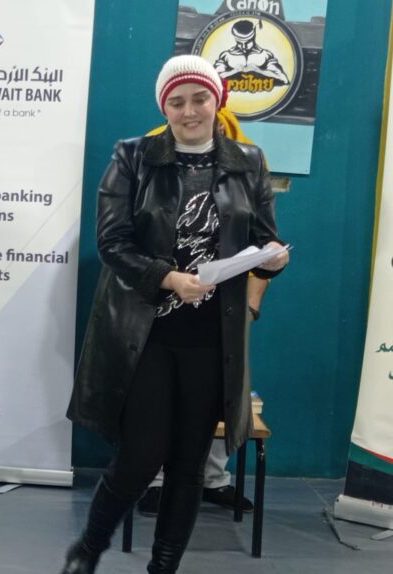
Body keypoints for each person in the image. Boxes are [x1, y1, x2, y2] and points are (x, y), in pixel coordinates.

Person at [62, 55, 288, 574]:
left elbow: (262, 241)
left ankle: (163, 568)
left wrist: (273, 259)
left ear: (217, 100)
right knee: (139, 459)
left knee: (189, 467)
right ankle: (88, 549)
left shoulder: (249, 161)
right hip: (146, 335)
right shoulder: (133, 157)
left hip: (212, 340)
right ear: (164, 107)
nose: (190, 111)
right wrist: (168, 278)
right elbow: (112, 242)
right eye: (177, 102)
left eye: (200, 98)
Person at [137, 110, 268, 517]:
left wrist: (250, 308)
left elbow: (260, 247)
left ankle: (213, 479)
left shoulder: (246, 164)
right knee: (158, 406)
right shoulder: (151, 158)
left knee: (219, 400)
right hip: (162, 309)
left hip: (220, 314)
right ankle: (155, 481)